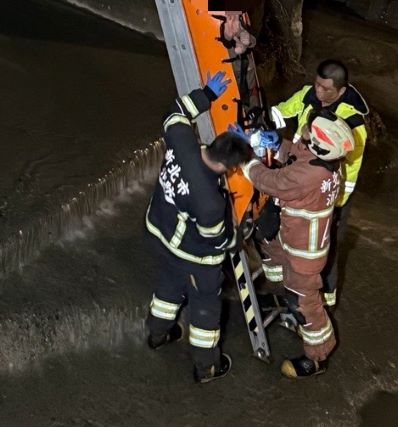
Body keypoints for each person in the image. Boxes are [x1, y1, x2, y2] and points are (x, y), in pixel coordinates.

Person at [144, 70, 255, 384]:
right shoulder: (210, 203)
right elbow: (216, 239)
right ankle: (206, 366)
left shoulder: (182, 140)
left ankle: (157, 334)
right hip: (191, 255)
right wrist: (238, 236)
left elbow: (175, 113)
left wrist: (206, 95)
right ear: (230, 168)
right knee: (204, 305)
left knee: (167, 287)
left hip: (157, 230)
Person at [240, 111, 355, 378]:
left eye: (308, 133)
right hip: (295, 238)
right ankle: (284, 295)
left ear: (319, 145)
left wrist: (247, 160)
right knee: (269, 243)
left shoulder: (307, 176)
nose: (303, 132)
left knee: (306, 305)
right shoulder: (327, 164)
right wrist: (278, 145)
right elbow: (300, 156)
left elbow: (271, 181)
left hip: (304, 253)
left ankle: (318, 356)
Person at [270, 59, 368, 307]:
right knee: (290, 233)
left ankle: (326, 298)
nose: (319, 92)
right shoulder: (308, 95)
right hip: (300, 179)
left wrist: (335, 201)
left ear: (342, 91)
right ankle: (287, 285)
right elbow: (285, 109)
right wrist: (273, 118)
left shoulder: (352, 123)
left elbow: (351, 167)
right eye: (317, 85)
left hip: (328, 194)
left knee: (327, 246)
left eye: (326, 89)